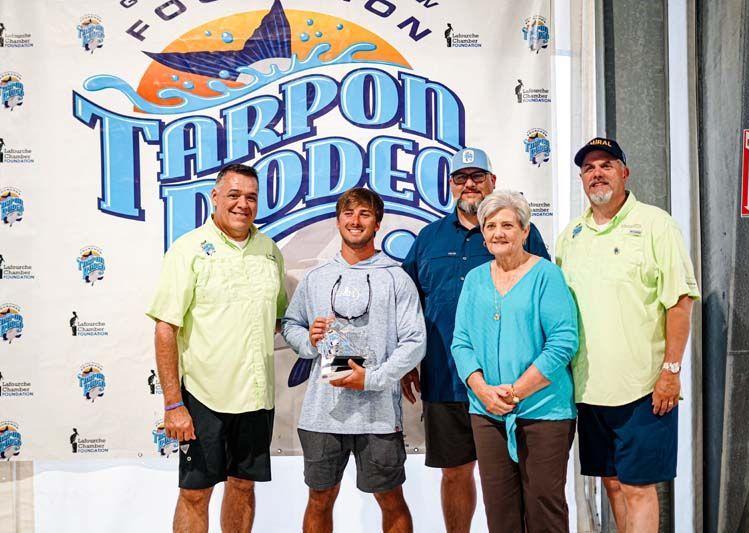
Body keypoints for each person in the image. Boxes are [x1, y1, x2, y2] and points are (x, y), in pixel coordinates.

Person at [400, 147, 549, 533]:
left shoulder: (521, 235)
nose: (469, 184)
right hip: (447, 378)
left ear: (492, 182)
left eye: (477, 176)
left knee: (513, 476)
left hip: (510, 383)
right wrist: (405, 362)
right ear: (451, 186)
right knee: (455, 472)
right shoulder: (429, 238)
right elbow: (405, 304)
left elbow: (547, 296)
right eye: (461, 177)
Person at [556, 138, 699, 533]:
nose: (596, 174)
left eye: (606, 165)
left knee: (638, 488)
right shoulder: (570, 237)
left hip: (644, 388)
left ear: (624, 173)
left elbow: (680, 302)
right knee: (613, 484)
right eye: (588, 168)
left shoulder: (656, 224)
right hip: (588, 388)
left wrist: (670, 371)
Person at [146, 163, 287, 533]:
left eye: (251, 197)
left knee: (243, 486)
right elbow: (165, 328)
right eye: (234, 195)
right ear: (215, 197)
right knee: (195, 493)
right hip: (203, 399)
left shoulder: (270, 252)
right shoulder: (188, 249)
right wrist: (174, 404)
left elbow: (279, 318)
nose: (243, 204)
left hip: (258, 398)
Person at [282, 188, 426, 533]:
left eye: (364, 214)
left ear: (377, 223)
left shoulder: (395, 277)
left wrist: (372, 379)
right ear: (338, 221)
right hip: (322, 415)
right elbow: (291, 325)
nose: (355, 220)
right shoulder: (317, 278)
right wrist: (310, 342)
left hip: (377, 416)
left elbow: (414, 341)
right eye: (348, 213)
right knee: (320, 498)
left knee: (391, 499)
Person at [450, 190, 578, 533]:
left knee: (544, 509)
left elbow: (563, 343)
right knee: (499, 511)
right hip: (487, 411)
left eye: (507, 224)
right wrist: (483, 390)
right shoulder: (475, 279)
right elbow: (461, 342)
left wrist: (516, 392)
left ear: (524, 231)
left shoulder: (546, 275)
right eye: (490, 225)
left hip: (543, 412)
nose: (498, 232)